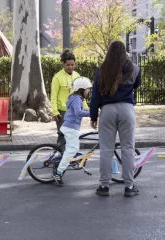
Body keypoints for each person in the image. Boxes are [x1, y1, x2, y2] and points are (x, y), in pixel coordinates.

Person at [90, 41, 141, 197]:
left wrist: (93, 116)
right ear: (124, 52)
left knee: (106, 149)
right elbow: (136, 85)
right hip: (127, 109)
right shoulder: (134, 69)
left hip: (107, 110)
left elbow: (95, 95)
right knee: (127, 148)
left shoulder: (101, 70)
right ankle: (129, 186)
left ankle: (104, 186)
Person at [52, 77, 92, 186]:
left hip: (70, 127)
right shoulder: (77, 99)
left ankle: (64, 163)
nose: (88, 91)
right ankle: (58, 172)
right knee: (72, 150)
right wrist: (92, 113)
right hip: (70, 128)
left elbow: (80, 111)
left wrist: (91, 110)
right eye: (87, 89)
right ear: (82, 89)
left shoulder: (75, 98)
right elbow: (78, 113)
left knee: (72, 149)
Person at [51, 49, 88, 152]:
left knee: (73, 135)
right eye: (68, 65)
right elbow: (53, 96)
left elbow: (81, 95)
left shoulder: (77, 76)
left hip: (75, 111)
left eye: (72, 65)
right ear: (63, 64)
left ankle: (71, 158)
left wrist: (85, 107)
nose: (70, 67)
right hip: (62, 112)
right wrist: (55, 111)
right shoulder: (57, 77)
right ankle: (61, 157)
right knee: (62, 135)